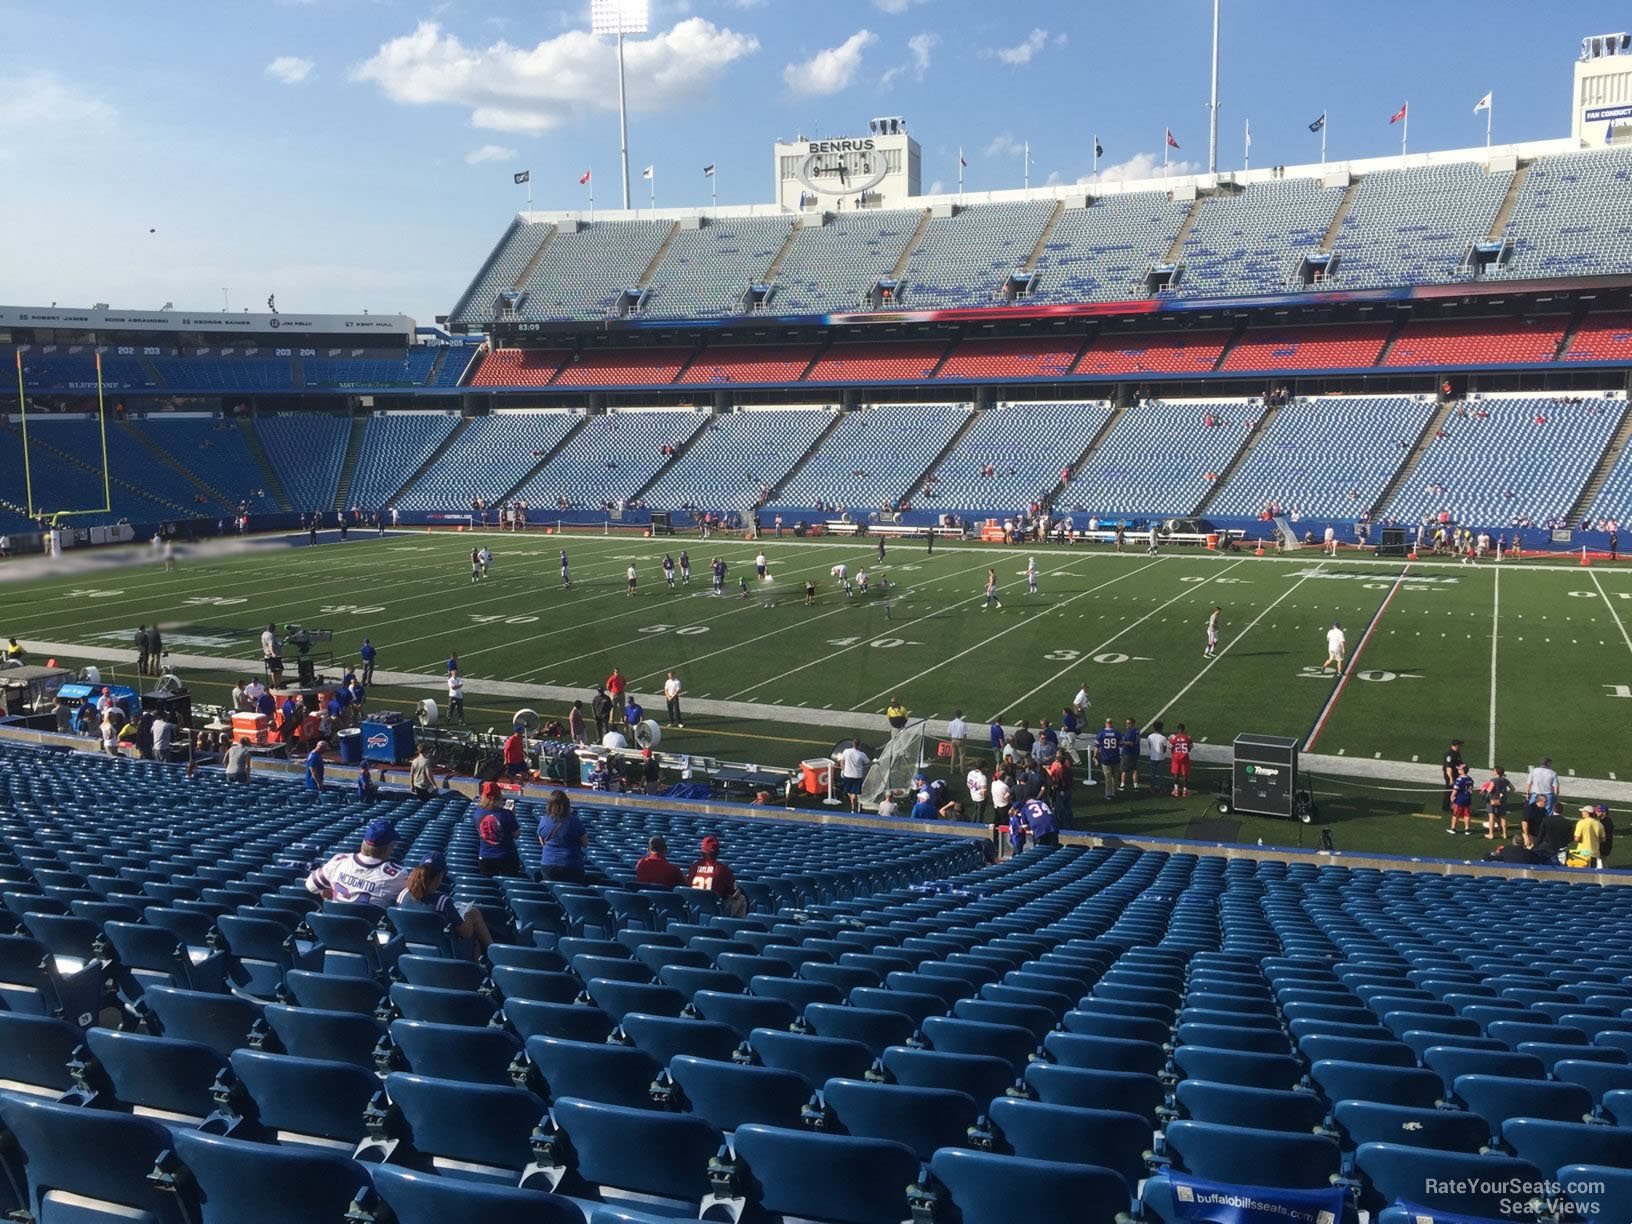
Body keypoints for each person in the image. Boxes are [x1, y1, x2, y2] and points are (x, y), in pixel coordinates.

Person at [396, 852, 495, 956]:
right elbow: (464, 933)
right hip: (445, 953)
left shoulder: (402, 895)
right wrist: (468, 918)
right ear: (439, 876)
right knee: (473, 916)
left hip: (411, 950)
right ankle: (493, 955)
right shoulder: (442, 901)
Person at [306, 818, 404, 906]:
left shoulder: (340, 860)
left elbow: (311, 886)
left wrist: (328, 889)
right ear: (389, 848)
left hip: (334, 922)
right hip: (369, 925)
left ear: (363, 842)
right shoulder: (397, 875)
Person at [688, 835, 748, 917]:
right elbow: (735, 894)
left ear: (702, 851)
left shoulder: (693, 867)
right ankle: (733, 927)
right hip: (715, 911)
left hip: (694, 910)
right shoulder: (722, 869)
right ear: (717, 852)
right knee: (741, 898)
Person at [472, 781, 523, 877]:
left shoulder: (477, 814)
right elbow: (516, 835)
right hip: (507, 857)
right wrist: (513, 815)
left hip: (486, 856)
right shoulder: (507, 814)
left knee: (488, 888)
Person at [538, 789, 589, 882]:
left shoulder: (543, 820)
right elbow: (585, 843)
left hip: (548, 865)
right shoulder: (575, 821)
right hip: (571, 866)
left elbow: (542, 842)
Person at [837, 739, 870, 814]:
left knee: (849, 791)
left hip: (848, 775)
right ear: (859, 745)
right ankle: (854, 805)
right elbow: (868, 762)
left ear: (853, 744)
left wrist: (842, 770)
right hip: (857, 776)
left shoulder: (846, 751)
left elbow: (842, 761)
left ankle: (853, 807)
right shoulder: (861, 754)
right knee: (854, 793)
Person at [1483, 766, 1512, 840]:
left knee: (1491, 817)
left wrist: (1485, 794)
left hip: (1493, 800)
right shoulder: (1505, 780)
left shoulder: (1493, 780)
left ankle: (1491, 834)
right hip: (1502, 801)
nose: (1493, 771)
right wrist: (1505, 794)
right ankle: (1505, 834)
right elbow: (1513, 788)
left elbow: (1489, 790)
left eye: (1494, 770)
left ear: (1496, 772)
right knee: (1503, 817)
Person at [1448, 763, 1475, 835]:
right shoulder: (1470, 779)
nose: (1458, 770)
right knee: (1467, 814)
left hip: (1460, 799)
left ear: (1463, 770)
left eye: (1459, 769)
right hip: (1468, 799)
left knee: (1455, 814)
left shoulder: (1459, 779)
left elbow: (1455, 789)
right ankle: (1467, 829)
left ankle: (1453, 828)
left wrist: (1451, 796)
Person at [1145, 720, 1170, 795]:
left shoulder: (1150, 736)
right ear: (1160, 728)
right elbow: (1164, 749)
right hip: (1161, 758)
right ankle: (1161, 789)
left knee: (1152, 774)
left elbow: (1150, 746)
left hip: (1153, 757)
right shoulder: (1163, 738)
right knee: (1161, 774)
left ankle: (1151, 788)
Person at [1169, 723, 1193, 797]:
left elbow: (1171, 747)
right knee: (1185, 774)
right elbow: (1189, 749)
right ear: (1184, 729)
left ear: (1178, 729)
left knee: (1176, 774)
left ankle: (1176, 791)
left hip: (1176, 757)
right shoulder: (1188, 738)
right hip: (1185, 758)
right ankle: (1185, 792)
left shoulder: (1174, 738)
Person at [1441, 738, 1465, 812]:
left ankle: (1453, 804)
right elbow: (1449, 768)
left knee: (1455, 790)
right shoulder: (1450, 755)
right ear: (1456, 745)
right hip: (1451, 775)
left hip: (1456, 774)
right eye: (1460, 745)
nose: (1461, 747)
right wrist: (1451, 778)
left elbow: (1459, 763)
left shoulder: (1457, 752)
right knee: (1449, 790)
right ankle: (1446, 806)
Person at [1118, 718, 1141, 794]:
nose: (1126, 725)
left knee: (1124, 770)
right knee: (1134, 769)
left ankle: (1122, 784)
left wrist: (1122, 742)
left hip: (1128, 753)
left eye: (1128, 723)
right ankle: (1135, 785)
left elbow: (1131, 743)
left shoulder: (1130, 732)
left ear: (1133, 724)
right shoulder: (1137, 731)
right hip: (1135, 753)